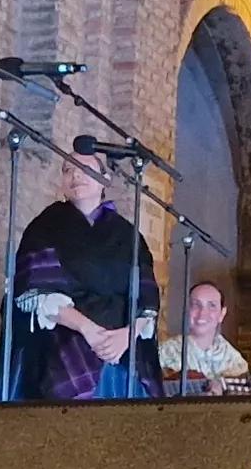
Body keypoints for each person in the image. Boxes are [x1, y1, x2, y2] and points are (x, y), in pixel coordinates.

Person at [11, 153, 157, 401]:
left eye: (83, 168)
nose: (75, 175)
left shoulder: (128, 234)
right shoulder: (45, 226)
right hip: (65, 343)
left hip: (123, 348)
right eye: (68, 170)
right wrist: (88, 330)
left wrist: (127, 335)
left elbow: (146, 298)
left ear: (105, 180)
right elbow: (38, 292)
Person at [160, 278, 251, 394]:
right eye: (196, 305)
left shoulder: (235, 362)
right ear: (187, 311)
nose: (203, 313)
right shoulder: (164, 354)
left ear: (222, 314)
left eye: (212, 305)